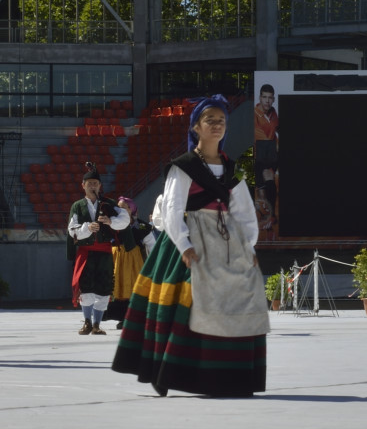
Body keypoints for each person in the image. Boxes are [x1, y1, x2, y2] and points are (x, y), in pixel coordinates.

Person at [112, 95, 269, 397]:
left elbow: (245, 214)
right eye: (210, 120)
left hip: (224, 244)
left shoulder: (229, 168)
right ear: (196, 127)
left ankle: (227, 376)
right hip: (189, 241)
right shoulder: (183, 167)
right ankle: (165, 370)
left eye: (221, 120)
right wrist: (183, 246)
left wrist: (248, 247)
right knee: (186, 305)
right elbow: (171, 210)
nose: (217, 125)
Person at [67, 161, 129, 335]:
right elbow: (72, 230)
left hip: (104, 252)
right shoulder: (77, 206)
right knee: (86, 287)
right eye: (89, 183)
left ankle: (96, 325)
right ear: (83, 186)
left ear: (100, 185)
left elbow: (125, 220)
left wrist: (110, 222)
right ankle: (87, 322)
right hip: (86, 253)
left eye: (95, 183)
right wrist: (87, 228)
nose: (92, 186)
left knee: (103, 287)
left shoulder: (108, 204)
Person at [105, 196, 151, 328]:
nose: (121, 210)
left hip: (134, 262)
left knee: (132, 287)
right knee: (117, 288)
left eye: (124, 207)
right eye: (119, 207)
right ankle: (121, 317)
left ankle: (133, 318)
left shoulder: (142, 226)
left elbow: (152, 245)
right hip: (116, 260)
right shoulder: (111, 225)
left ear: (132, 210)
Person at [252, 83, 279, 232]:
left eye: (270, 98)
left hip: (270, 155)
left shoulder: (274, 114)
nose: (267, 101)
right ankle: (268, 216)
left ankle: (270, 216)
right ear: (260, 98)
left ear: (273, 99)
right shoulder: (254, 115)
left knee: (267, 182)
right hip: (259, 154)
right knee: (262, 188)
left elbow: (276, 129)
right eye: (264, 97)